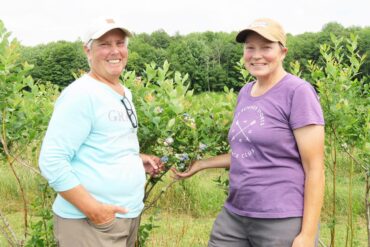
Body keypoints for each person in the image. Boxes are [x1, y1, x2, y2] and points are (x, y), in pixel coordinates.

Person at [173, 18, 325, 247]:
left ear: (283, 52)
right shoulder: (246, 92)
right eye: (250, 47)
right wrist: (202, 164)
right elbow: (248, 152)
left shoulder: (298, 92)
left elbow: (315, 168)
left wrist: (306, 235)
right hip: (236, 215)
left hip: (280, 219)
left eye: (266, 47)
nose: (256, 55)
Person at [39, 17, 163, 247]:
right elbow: (52, 161)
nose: (114, 51)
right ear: (88, 50)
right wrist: (95, 211)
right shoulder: (81, 95)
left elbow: (108, 142)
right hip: (90, 224)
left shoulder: (123, 92)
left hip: (125, 217)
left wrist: (135, 161)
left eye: (120, 43)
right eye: (104, 44)